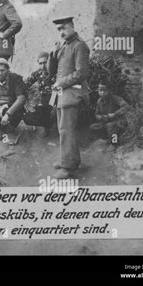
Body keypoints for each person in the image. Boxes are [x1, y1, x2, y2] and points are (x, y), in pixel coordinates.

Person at [49, 16, 90, 179]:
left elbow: (82, 73)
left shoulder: (79, 46)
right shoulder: (63, 45)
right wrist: (53, 55)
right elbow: (52, 71)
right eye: (59, 29)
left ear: (72, 27)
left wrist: (61, 83)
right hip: (62, 93)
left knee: (67, 129)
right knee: (63, 128)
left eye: (64, 28)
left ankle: (69, 167)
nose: (61, 32)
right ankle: (68, 159)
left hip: (73, 92)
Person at [23, 52, 57, 138]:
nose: (43, 66)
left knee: (54, 112)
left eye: (45, 62)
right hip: (44, 99)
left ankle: (55, 125)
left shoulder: (56, 71)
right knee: (29, 118)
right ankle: (47, 125)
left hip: (57, 97)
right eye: (40, 63)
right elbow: (24, 85)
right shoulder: (37, 73)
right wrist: (25, 100)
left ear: (49, 61)